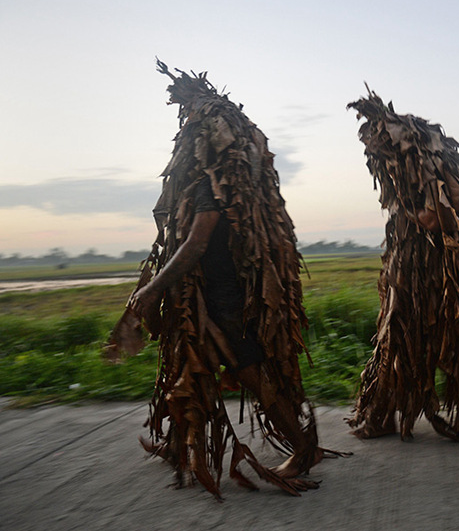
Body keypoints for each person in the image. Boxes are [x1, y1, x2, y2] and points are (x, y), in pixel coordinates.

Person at [107, 62, 326, 499]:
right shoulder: (223, 176)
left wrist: (152, 289)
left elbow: (198, 241)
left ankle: (302, 449)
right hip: (210, 290)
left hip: (223, 292)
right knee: (192, 361)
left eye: (190, 124)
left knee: (247, 369)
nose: (185, 132)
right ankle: (178, 446)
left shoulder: (211, 183)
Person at [345, 90, 459, 446]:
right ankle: (387, 413)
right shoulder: (433, 163)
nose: (377, 158)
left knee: (436, 340)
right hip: (423, 270)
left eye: (379, 150)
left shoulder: (423, 168)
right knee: (403, 339)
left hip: (441, 272)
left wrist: (403, 211)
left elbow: (433, 218)